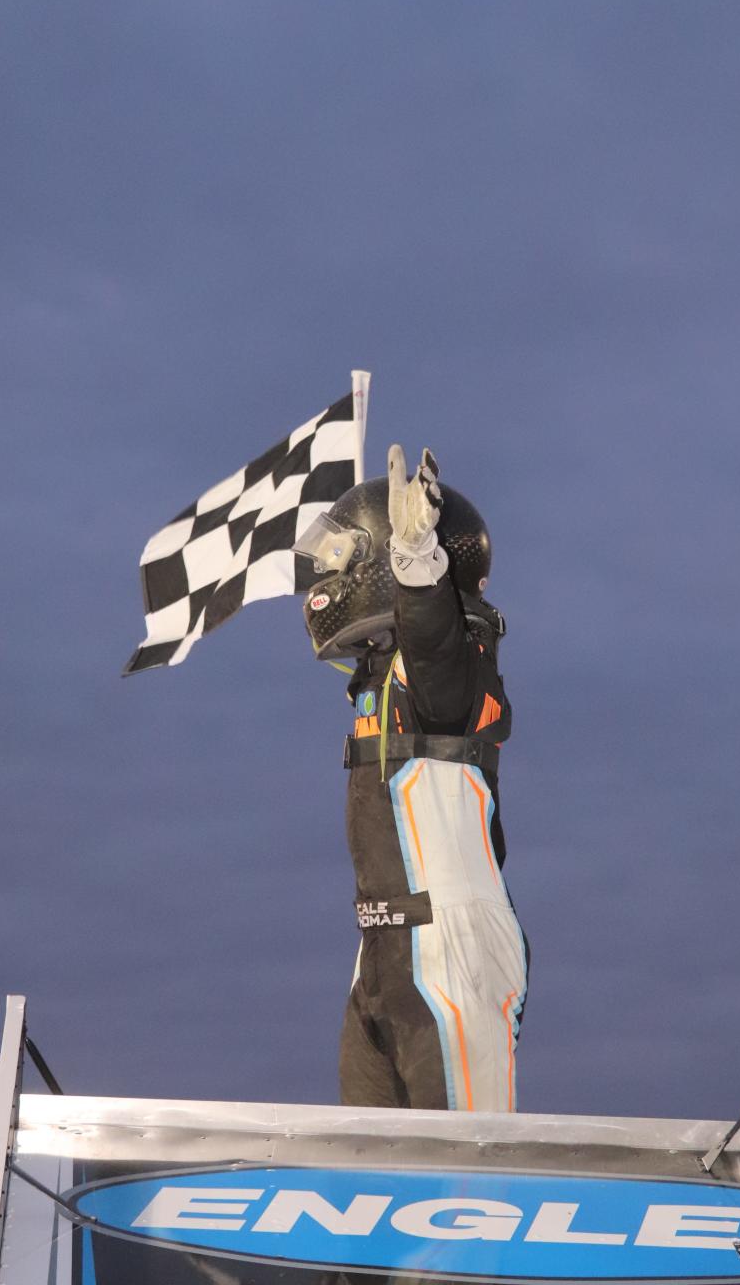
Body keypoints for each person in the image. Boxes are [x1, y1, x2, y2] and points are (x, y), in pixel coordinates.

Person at [294, 445, 528, 1112]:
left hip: (451, 946)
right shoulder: (385, 679)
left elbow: (435, 646)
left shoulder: (452, 672)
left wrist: (417, 562)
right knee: (369, 1170)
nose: (323, 582)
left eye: (343, 558)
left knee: (463, 1184)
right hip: (382, 948)